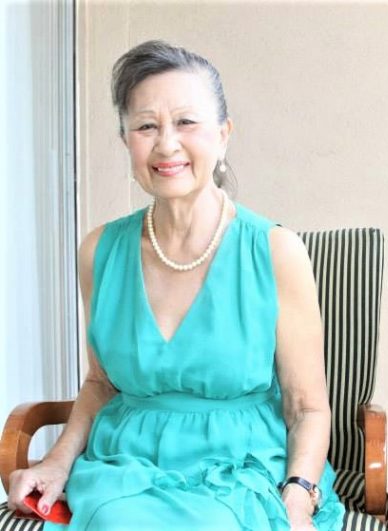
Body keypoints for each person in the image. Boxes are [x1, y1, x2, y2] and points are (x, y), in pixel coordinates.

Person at [8, 40, 344, 530]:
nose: (166, 144)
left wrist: (298, 495)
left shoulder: (276, 251)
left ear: (223, 135)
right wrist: (56, 462)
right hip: (126, 470)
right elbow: (101, 383)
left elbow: (307, 405)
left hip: (244, 470)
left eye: (187, 122)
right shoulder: (100, 251)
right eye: (146, 126)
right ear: (127, 141)